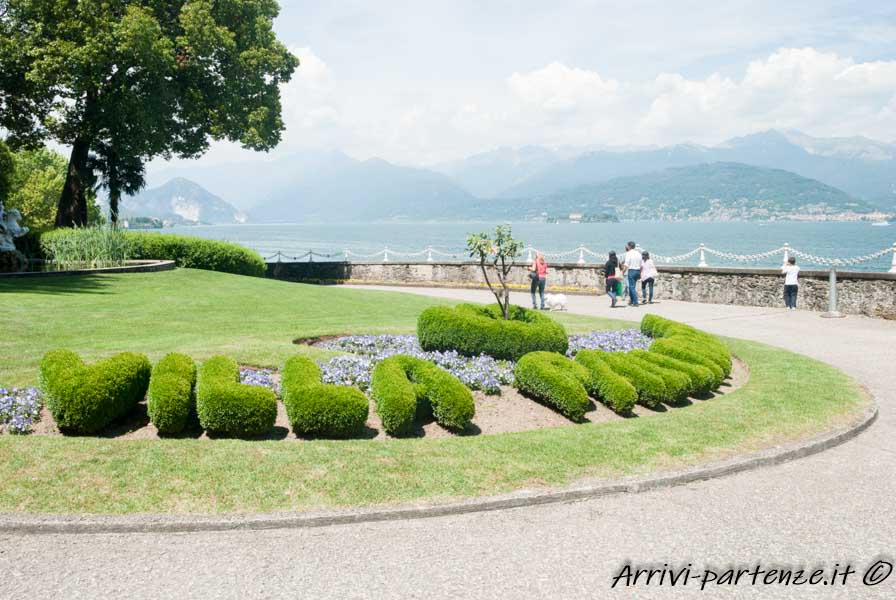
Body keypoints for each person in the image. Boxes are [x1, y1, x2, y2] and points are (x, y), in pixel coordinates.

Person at [621, 241, 642, 306]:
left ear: (629, 246)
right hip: (638, 271)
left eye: (627, 245)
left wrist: (622, 272)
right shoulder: (638, 254)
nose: (626, 246)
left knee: (631, 287)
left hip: (632, 271)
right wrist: (640, 273)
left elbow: (626, 264)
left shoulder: (628, 253)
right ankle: (632, 301)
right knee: (632, 286)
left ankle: (635, 302)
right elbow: (641, 264)